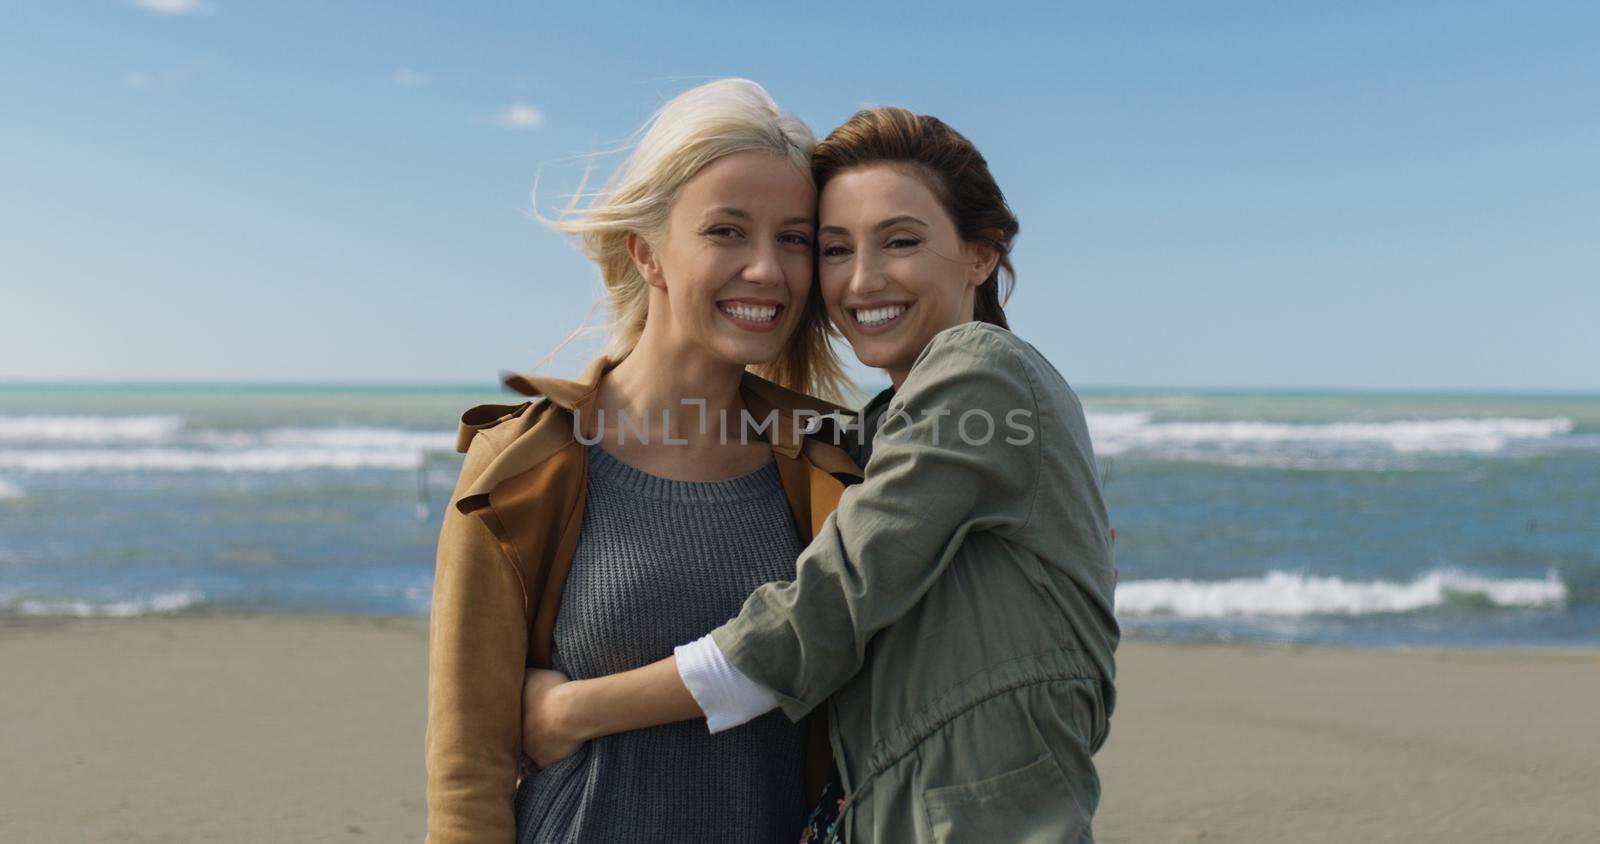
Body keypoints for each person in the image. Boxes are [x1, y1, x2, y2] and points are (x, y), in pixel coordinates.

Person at [520, 106, 1120, 843]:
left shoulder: (981, 372)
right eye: (834, 249)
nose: (862, 281)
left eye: (899, 241)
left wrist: (572, 712)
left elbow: (822, 615)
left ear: (981, 254)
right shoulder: (872, 430)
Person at [424, 78, 862, 843]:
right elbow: (468, 774)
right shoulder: (526, 464)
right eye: (727, 231)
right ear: (647, 252)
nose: (768, 270)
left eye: (793, 238)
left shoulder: (835, 461)